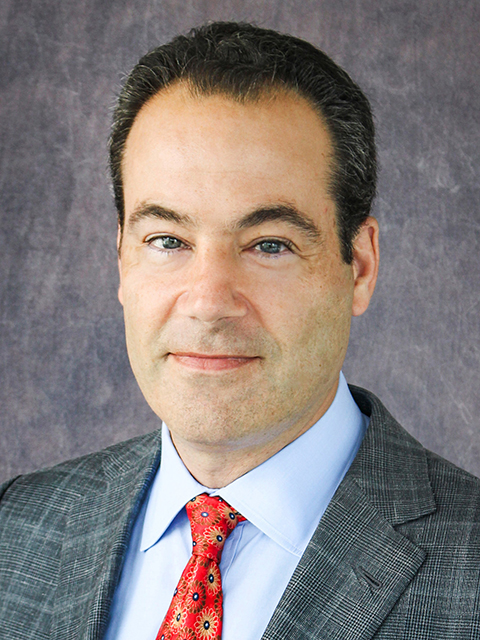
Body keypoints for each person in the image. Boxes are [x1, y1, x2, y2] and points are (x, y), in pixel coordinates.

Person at [0, 21, 478, 640]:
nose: (208, 303)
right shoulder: (16, 530)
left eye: (269, 245)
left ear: (359, 267)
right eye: (167, 240)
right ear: (121, 259)